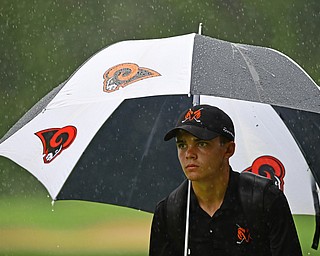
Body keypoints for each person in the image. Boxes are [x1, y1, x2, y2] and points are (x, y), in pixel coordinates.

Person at [149, 104, 302, 256]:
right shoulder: (168, 212)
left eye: (201, 143)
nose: (189, 154)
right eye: (182, 145)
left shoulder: (265, 199)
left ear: (228, 150)